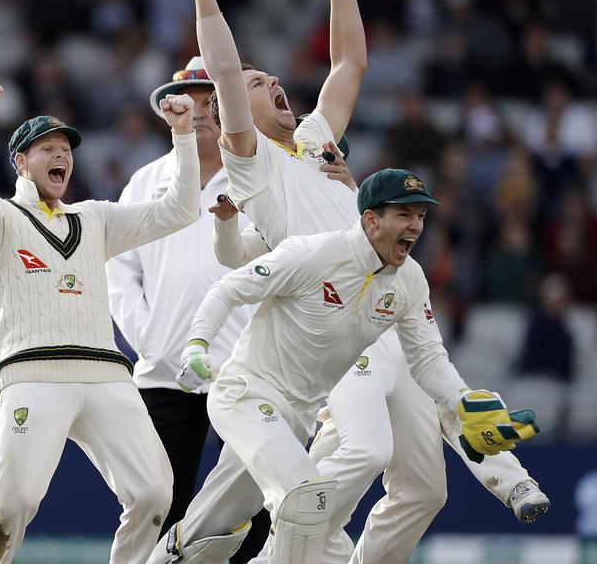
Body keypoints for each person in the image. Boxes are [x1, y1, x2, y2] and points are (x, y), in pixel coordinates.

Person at [172, 0, 546, 563]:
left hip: (386, 295)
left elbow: (348, 65)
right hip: (328, 312)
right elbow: (227, 73)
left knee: (425, 490)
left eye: (271, 78)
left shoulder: (317, 139)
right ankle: (289, 543)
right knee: (365, 448)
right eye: (261, 83)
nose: (272, 83)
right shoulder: (250, 161)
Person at [147, 169, 540, 564]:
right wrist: (196, 347)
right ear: (371, 219)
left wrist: (460, 401)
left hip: (297, 418)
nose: (416, 227)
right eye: (405, 215)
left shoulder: (409, 280)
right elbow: (228, 289)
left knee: (212, 525)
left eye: (421, 216)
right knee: (307, 498)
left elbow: (428, 359)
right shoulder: (315, 253)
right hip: (246, 394)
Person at [0, 74, 201, 564]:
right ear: (21, 163)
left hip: (105, 374)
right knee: (15, 504)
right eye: (46, 148)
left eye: (66, 149)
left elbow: (181, 209)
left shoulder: (94, 218)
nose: (61, 156)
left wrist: (184, 136)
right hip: (32, 373)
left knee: (155, 494)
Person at [106, 60, 272, 563]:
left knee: (252, 504)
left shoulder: (258, 178)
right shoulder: (146, 180)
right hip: (164, 373)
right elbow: (119, 271)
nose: (200, 112)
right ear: (169, 111)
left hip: (243, 368)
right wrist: (151, 339)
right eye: (190, 101)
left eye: (210, 101)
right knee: (156, 501)